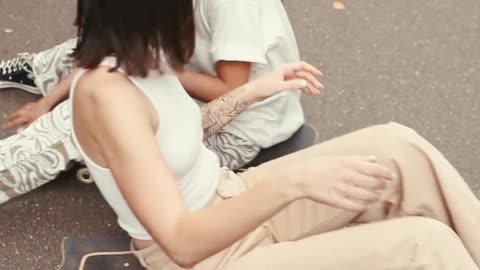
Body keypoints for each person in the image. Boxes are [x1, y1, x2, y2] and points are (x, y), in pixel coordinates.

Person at [70, 0, 480, 269]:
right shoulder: (107, 97)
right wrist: (294, 183)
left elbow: (176, 138)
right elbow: (181, 241)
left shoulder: (141, 57)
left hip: (232, 194)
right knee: (424, 245)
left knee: (396, 147)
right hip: (207, 259)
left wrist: (253, 90)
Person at [0, 0, 310, 203]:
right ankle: (33, 72)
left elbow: (229, 89)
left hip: (241, 126)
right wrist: (47, 102)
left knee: (94, 110)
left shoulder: (233, 5)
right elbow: (112, 48)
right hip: (184, 74)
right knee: (96, 50)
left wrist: (144, 67)